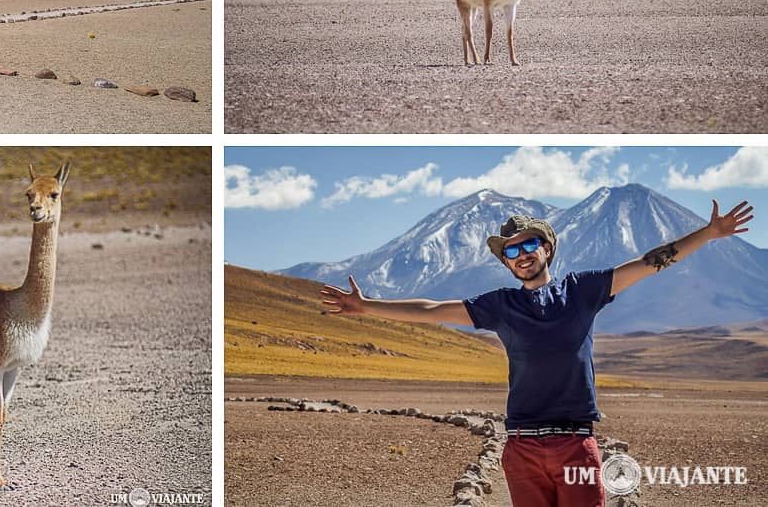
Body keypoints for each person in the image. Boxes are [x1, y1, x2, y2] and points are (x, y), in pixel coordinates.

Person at [320, 200, 754, 507]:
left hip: (574, 446)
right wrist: (365, 306)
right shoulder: (500, 306)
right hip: (522, 449)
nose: (522, 255)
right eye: (511, 251)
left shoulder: (583, 291)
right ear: (506, 263)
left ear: (547, 248)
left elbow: (650, 261)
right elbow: (432, 310)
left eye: (529, 246)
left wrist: (710, 234)